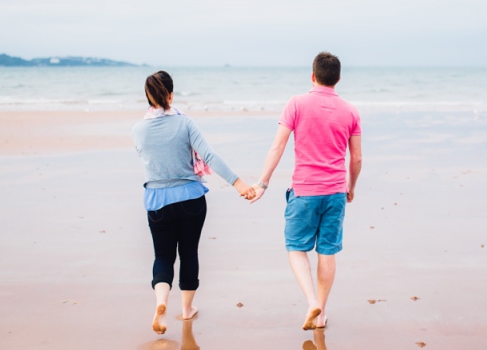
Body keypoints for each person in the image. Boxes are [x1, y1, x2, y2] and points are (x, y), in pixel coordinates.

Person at [133, 71, 255, 335]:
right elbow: (209, 155)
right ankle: (187, 310)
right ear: (171, 95)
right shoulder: (185, 123)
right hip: (190, 198)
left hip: (157, 202)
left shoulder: (138, 130)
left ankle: (161, 303)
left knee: (163, 256)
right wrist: (238, 184)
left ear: (148, 97)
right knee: (188, 253)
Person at [250, 52, 362, 330]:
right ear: (337, 79)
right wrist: (351, 186)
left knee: (296, 248)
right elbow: (357, 158)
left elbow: (277, 147)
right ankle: (321, 313)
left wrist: (262, 183)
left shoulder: (296, 104)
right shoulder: (350, 111)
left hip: (304, 192)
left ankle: (312, 300)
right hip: (335, 192)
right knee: (327, 252)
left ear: (312, 76)